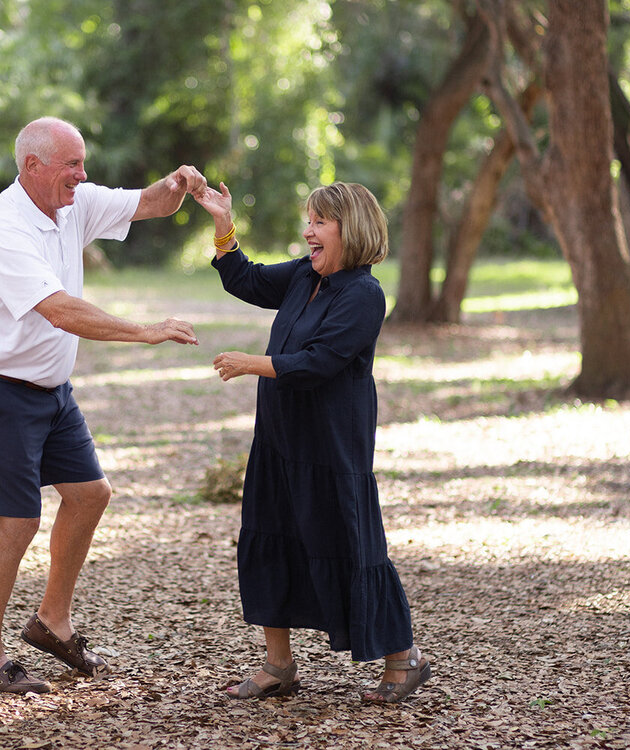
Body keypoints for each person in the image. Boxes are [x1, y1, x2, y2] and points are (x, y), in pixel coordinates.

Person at [0, 116, 205, 694]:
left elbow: (148, 203)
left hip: (50, 393)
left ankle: (50, 622)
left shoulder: (73, 204)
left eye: (83, 164)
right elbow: (59, 309)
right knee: (15, 525)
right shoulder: (1, 230)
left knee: (91, 495)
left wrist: (179, 185)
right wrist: (146, 331)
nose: (82, 176)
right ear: (31, 166)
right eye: (71, 165)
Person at [192, 180, 430, 703]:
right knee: (270, 532)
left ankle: (403, 657)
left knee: (348, 543)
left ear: (353, 230)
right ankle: (279, 666)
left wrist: (251, 363)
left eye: (320, 223)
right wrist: (223, 222)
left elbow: (320, 362)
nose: (308, 232)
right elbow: (246, 280)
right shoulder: (305, 275)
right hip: (278, 438)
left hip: (331, 446)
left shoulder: (365, 295)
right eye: (310, 221)